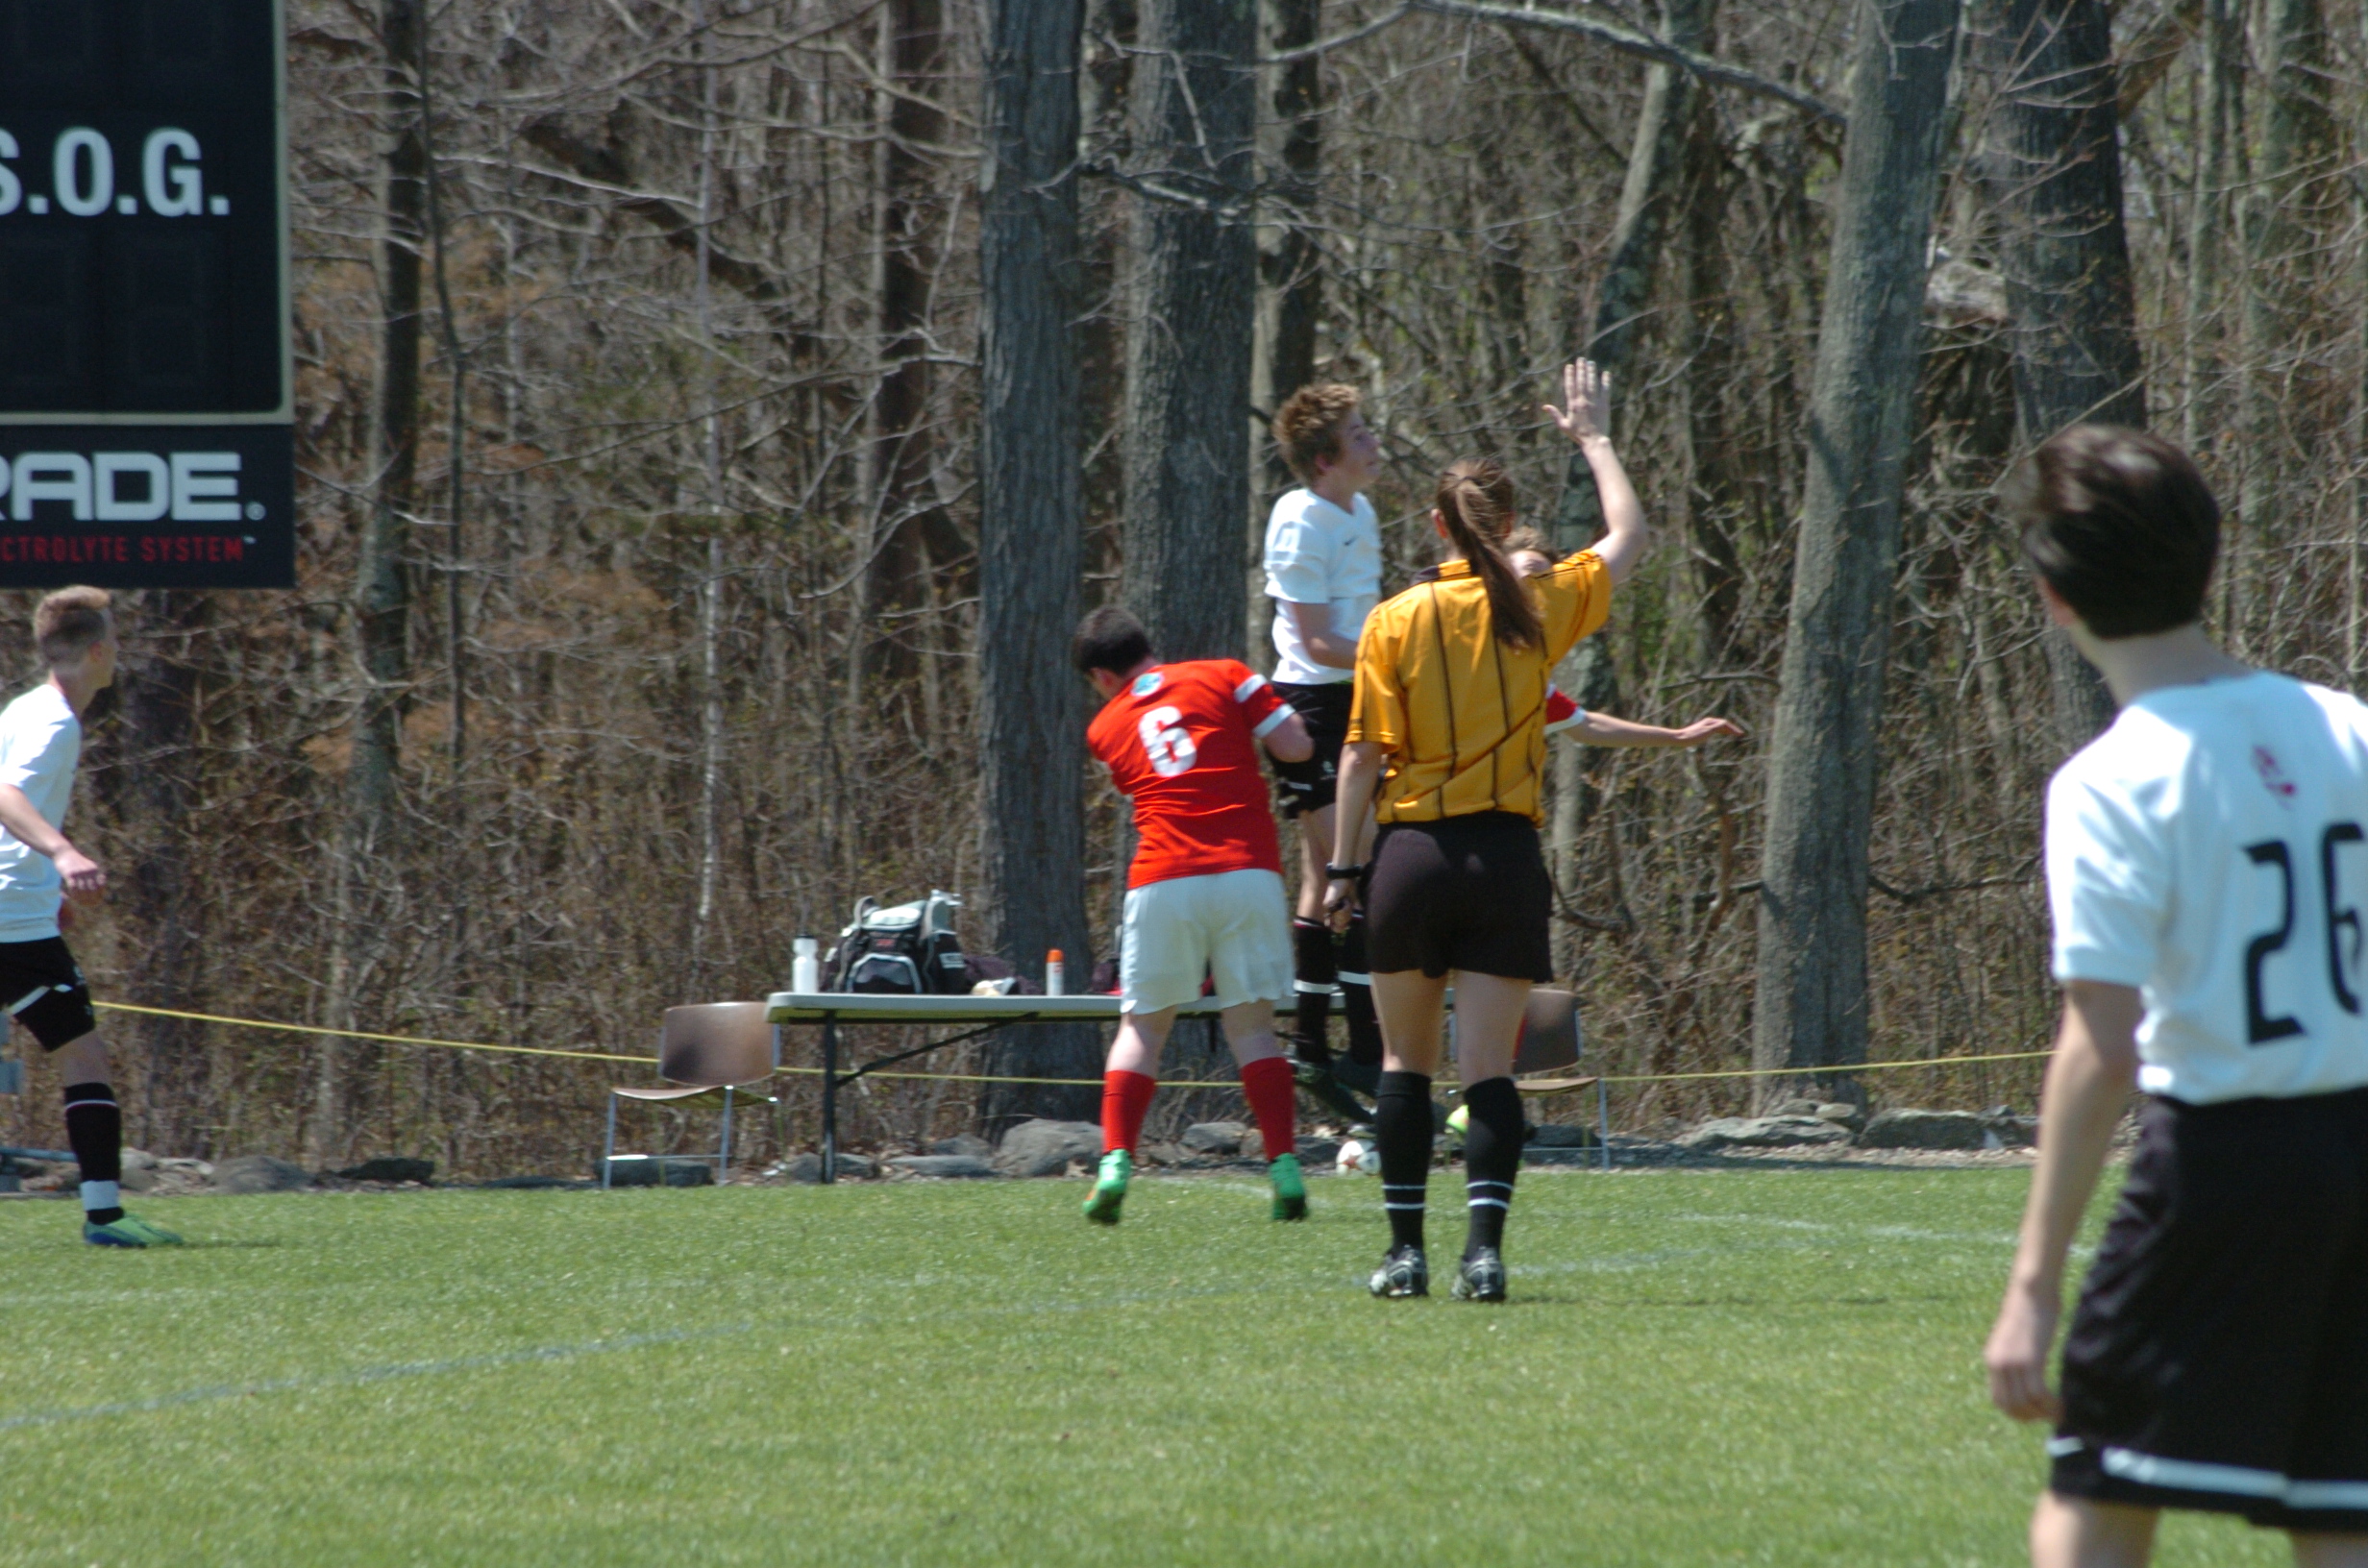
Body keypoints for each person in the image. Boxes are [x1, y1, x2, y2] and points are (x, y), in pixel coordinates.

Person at [1983, 427, 2368, 1567]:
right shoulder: (2347, 725)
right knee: (2340, 1509)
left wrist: (2031, 1285)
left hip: (2221, 1164)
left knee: (2098, 1490)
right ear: (2206, 555)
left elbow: (2102, 1047)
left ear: (2053, 596)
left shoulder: (2111, 780)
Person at [1328, 360, 1649, 1301]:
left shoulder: (1393, 619)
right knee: (1487, 1075)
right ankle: (1483, 1257)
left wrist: (1340, 872)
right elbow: (1629, 537)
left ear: (1437, 527)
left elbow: (1360, 758)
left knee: (1403, 1065)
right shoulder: (1536, 604)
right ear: (1507, 528)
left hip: (1410, 860)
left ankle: (1404, 1256)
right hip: (1503, 860)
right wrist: (1593, 439)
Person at [1076, 606, 1318, 1225]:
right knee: (1253, 1030)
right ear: (1146, 644)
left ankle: (1115, 1162)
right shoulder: (1225, 673)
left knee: (1142, 1029)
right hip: (1247, 869)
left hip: (1162, 877)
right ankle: (1285, 1167)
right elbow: (1296, 744)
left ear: (1102, 676)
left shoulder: (1104, 727)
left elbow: (1142, 780)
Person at [0, 588, 180, 1247]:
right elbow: (6, 794)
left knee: (79, 1049)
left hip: (21, 909)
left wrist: (50, 888)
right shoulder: (54, 722)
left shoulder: (26, 708)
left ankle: (106, 1216)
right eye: (117, 638)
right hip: (11, 923)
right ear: (99, 651)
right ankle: (105, 1216)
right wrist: (63, 854)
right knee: (83, 1055)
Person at [1262, 384, 1388, 1118]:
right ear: (1323, 460)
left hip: (1362, 695)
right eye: (1359, 434)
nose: (1374, 442)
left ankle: (1311, 1047)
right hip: (1308, 705)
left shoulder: (1361, 510)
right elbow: (1314, 642)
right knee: (1357, 865)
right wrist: (1399, 653)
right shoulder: (1297, 518)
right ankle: (1365, 1047)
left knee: (1324, 877)